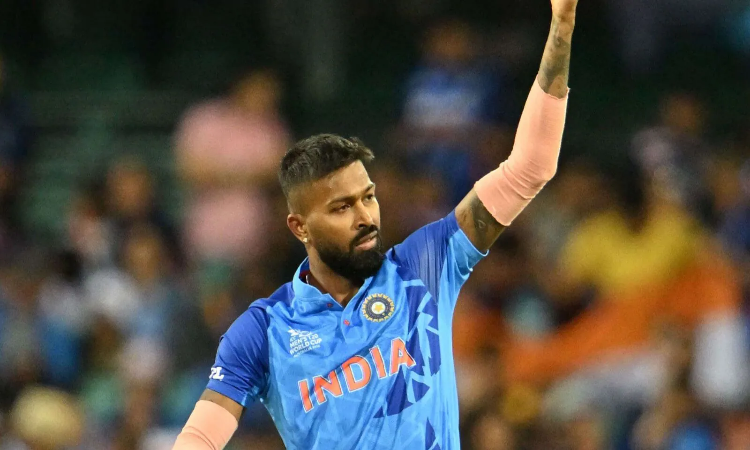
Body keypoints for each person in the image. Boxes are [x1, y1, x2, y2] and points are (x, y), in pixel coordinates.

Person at [172, 0, 577, 447]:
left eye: (368, 197)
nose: (365, 217)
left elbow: (531, 167)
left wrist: (561, 27)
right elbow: (200, 437)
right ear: (300, 227)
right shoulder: (264, 330)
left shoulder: (424, 267)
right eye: (341, 208)